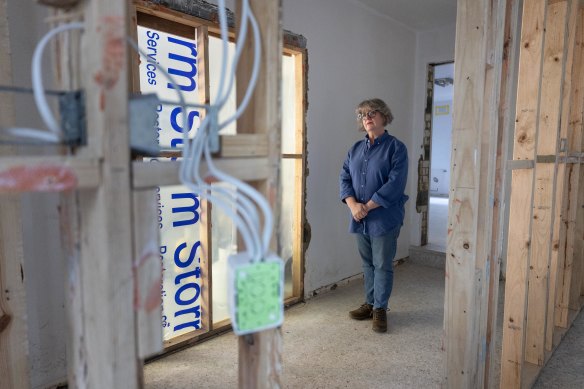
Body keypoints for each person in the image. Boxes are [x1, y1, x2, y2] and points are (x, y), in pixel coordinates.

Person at [339, 98, 408, 333]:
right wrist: (352, 205)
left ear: (384, 116)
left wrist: (365, 206)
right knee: (367, 263)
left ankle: (380, 309)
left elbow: (395, 184)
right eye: (362, 115)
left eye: (372, 113)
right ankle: (369, 304)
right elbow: (345, 177)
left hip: (384, 216)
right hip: (359, 216)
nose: (366, 118)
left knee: (382, 264)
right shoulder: (355, 149)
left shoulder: (396, 148)